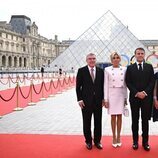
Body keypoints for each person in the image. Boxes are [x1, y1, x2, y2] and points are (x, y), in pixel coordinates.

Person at [125, 47, 155, 151]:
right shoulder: (130, 68)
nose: (140, 55)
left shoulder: (149, 67)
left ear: (144, 55)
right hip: (134, 98)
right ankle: (135, 142)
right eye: (138, 53)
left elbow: (152, 82)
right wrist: (137, 93)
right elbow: (128, 82)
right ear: (135, 54)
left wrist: (145, 92)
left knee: (145, 121)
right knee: (135, 120)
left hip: (147, 98)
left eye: (142, 53)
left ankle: (145, 142)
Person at [76, 53, 104, 150]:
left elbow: (102, 87)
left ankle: (97, 141)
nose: (92, 60)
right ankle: (88, 141)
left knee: (98, 122)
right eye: (90, 59)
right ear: (86, 60)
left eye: (93, 59)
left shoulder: (101, 71)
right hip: (86, 102)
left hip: (98, 101)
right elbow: (78, 87)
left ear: (96, 60)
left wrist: (103, 99)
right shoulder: (81, 71)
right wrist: (79, 99)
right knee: (86, 122)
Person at [104, 52, 127, 148]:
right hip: (112, 95)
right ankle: (114, 137)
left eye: (117, 57)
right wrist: (106, 99)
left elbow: (125, 84)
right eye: (114, 58)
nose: (116, 59)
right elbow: (105, 85)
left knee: (120, 117)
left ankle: (119, 137)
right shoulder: (107, 69)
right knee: (113, 117)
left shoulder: (125, 69)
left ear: (120, 59)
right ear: (111, 60)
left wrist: (126, 97)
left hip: (121, 94)